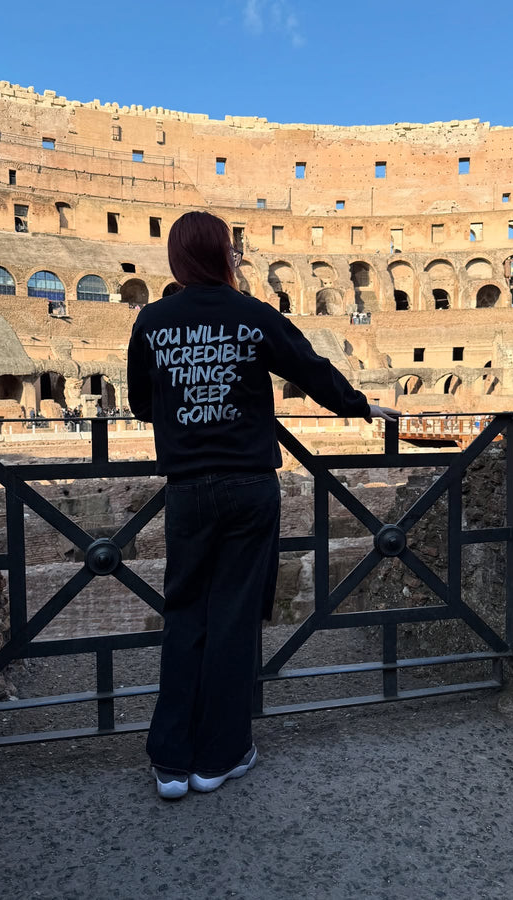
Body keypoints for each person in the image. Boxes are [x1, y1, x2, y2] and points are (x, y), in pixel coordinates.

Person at [127, 211, 398, 800]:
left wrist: (186, 411)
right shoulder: (253, 315)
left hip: (188, 489)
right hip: (249, 486)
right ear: (227, 256)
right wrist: (359, 408)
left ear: (176, 259)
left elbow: (141, 403)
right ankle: (219, 757)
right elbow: (311, 370)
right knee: (233, 620)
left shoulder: (152, 321)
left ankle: (170, 760)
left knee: (184, 616)